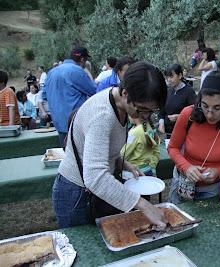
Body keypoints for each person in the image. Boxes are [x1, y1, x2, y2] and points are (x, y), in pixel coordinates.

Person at [52, 61, 168, 229]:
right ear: (126, 93)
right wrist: (144, 205)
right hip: (76, 195)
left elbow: (100, 149)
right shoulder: (102, 116)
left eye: (152, 110)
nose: (146, 116)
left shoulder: (117, 102)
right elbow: (95, 177)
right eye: (142, 109)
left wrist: (122, 162)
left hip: (89, 192)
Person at [168, 71, 220, 204]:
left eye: (217, 108)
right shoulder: (188, 114)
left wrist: (219, 171)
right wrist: (187, 167)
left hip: (213, 188)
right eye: (205, 106)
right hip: (183, 184)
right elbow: (173, 147)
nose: (210, 114)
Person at [45, 47, 96, 147]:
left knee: (67, 156)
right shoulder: (76, 71)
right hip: (75, 123)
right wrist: (88, 72)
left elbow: (45, 95)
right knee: (80, 157)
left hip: (58, 123)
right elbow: (94, 91)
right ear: (82, 60)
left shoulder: (51, 72)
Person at [158, 64, 197, 137]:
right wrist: (161, 123)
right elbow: (162, 111)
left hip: (182, 134)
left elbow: (196, 113)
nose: (169, 79)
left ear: (180, 76)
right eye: (167, 77)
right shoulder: (168, 91)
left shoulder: (189, 92)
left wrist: (179, 117)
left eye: (171, 76)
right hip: (168, 134)